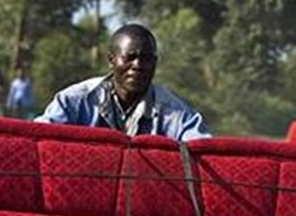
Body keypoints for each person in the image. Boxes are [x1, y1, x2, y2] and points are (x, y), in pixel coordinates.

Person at [36, 24, 210, 141]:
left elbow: (203, 149)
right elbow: (38, 138)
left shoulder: (175, 113)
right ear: (111, 60)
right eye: (130, 58)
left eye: (146, 59)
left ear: (155, 63)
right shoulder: (73, 101)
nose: (138, 66)